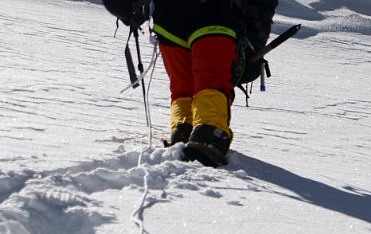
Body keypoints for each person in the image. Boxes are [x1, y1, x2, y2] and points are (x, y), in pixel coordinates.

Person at [104, 0, 278, 167]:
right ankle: (209, 133)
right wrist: (256, 38)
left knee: (182, 87)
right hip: (215, 15)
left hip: (169, 17)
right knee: (211, 80)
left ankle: (183, 128)